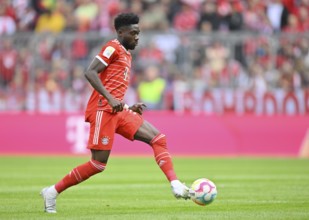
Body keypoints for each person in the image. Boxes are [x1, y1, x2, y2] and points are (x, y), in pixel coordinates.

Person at [40, 12, 189, 214]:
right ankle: (52, 191)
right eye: (133, 33)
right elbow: (90, 72)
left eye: (139, 33)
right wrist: (110, 99)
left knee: (158, 139)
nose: (137, 37)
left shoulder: (126, 53)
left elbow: (114, 87)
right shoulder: (113, 47)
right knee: (98, 164)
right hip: (103, 110)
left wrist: (127, 106)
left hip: (118, 111)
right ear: (121, 32)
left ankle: (175, 184)